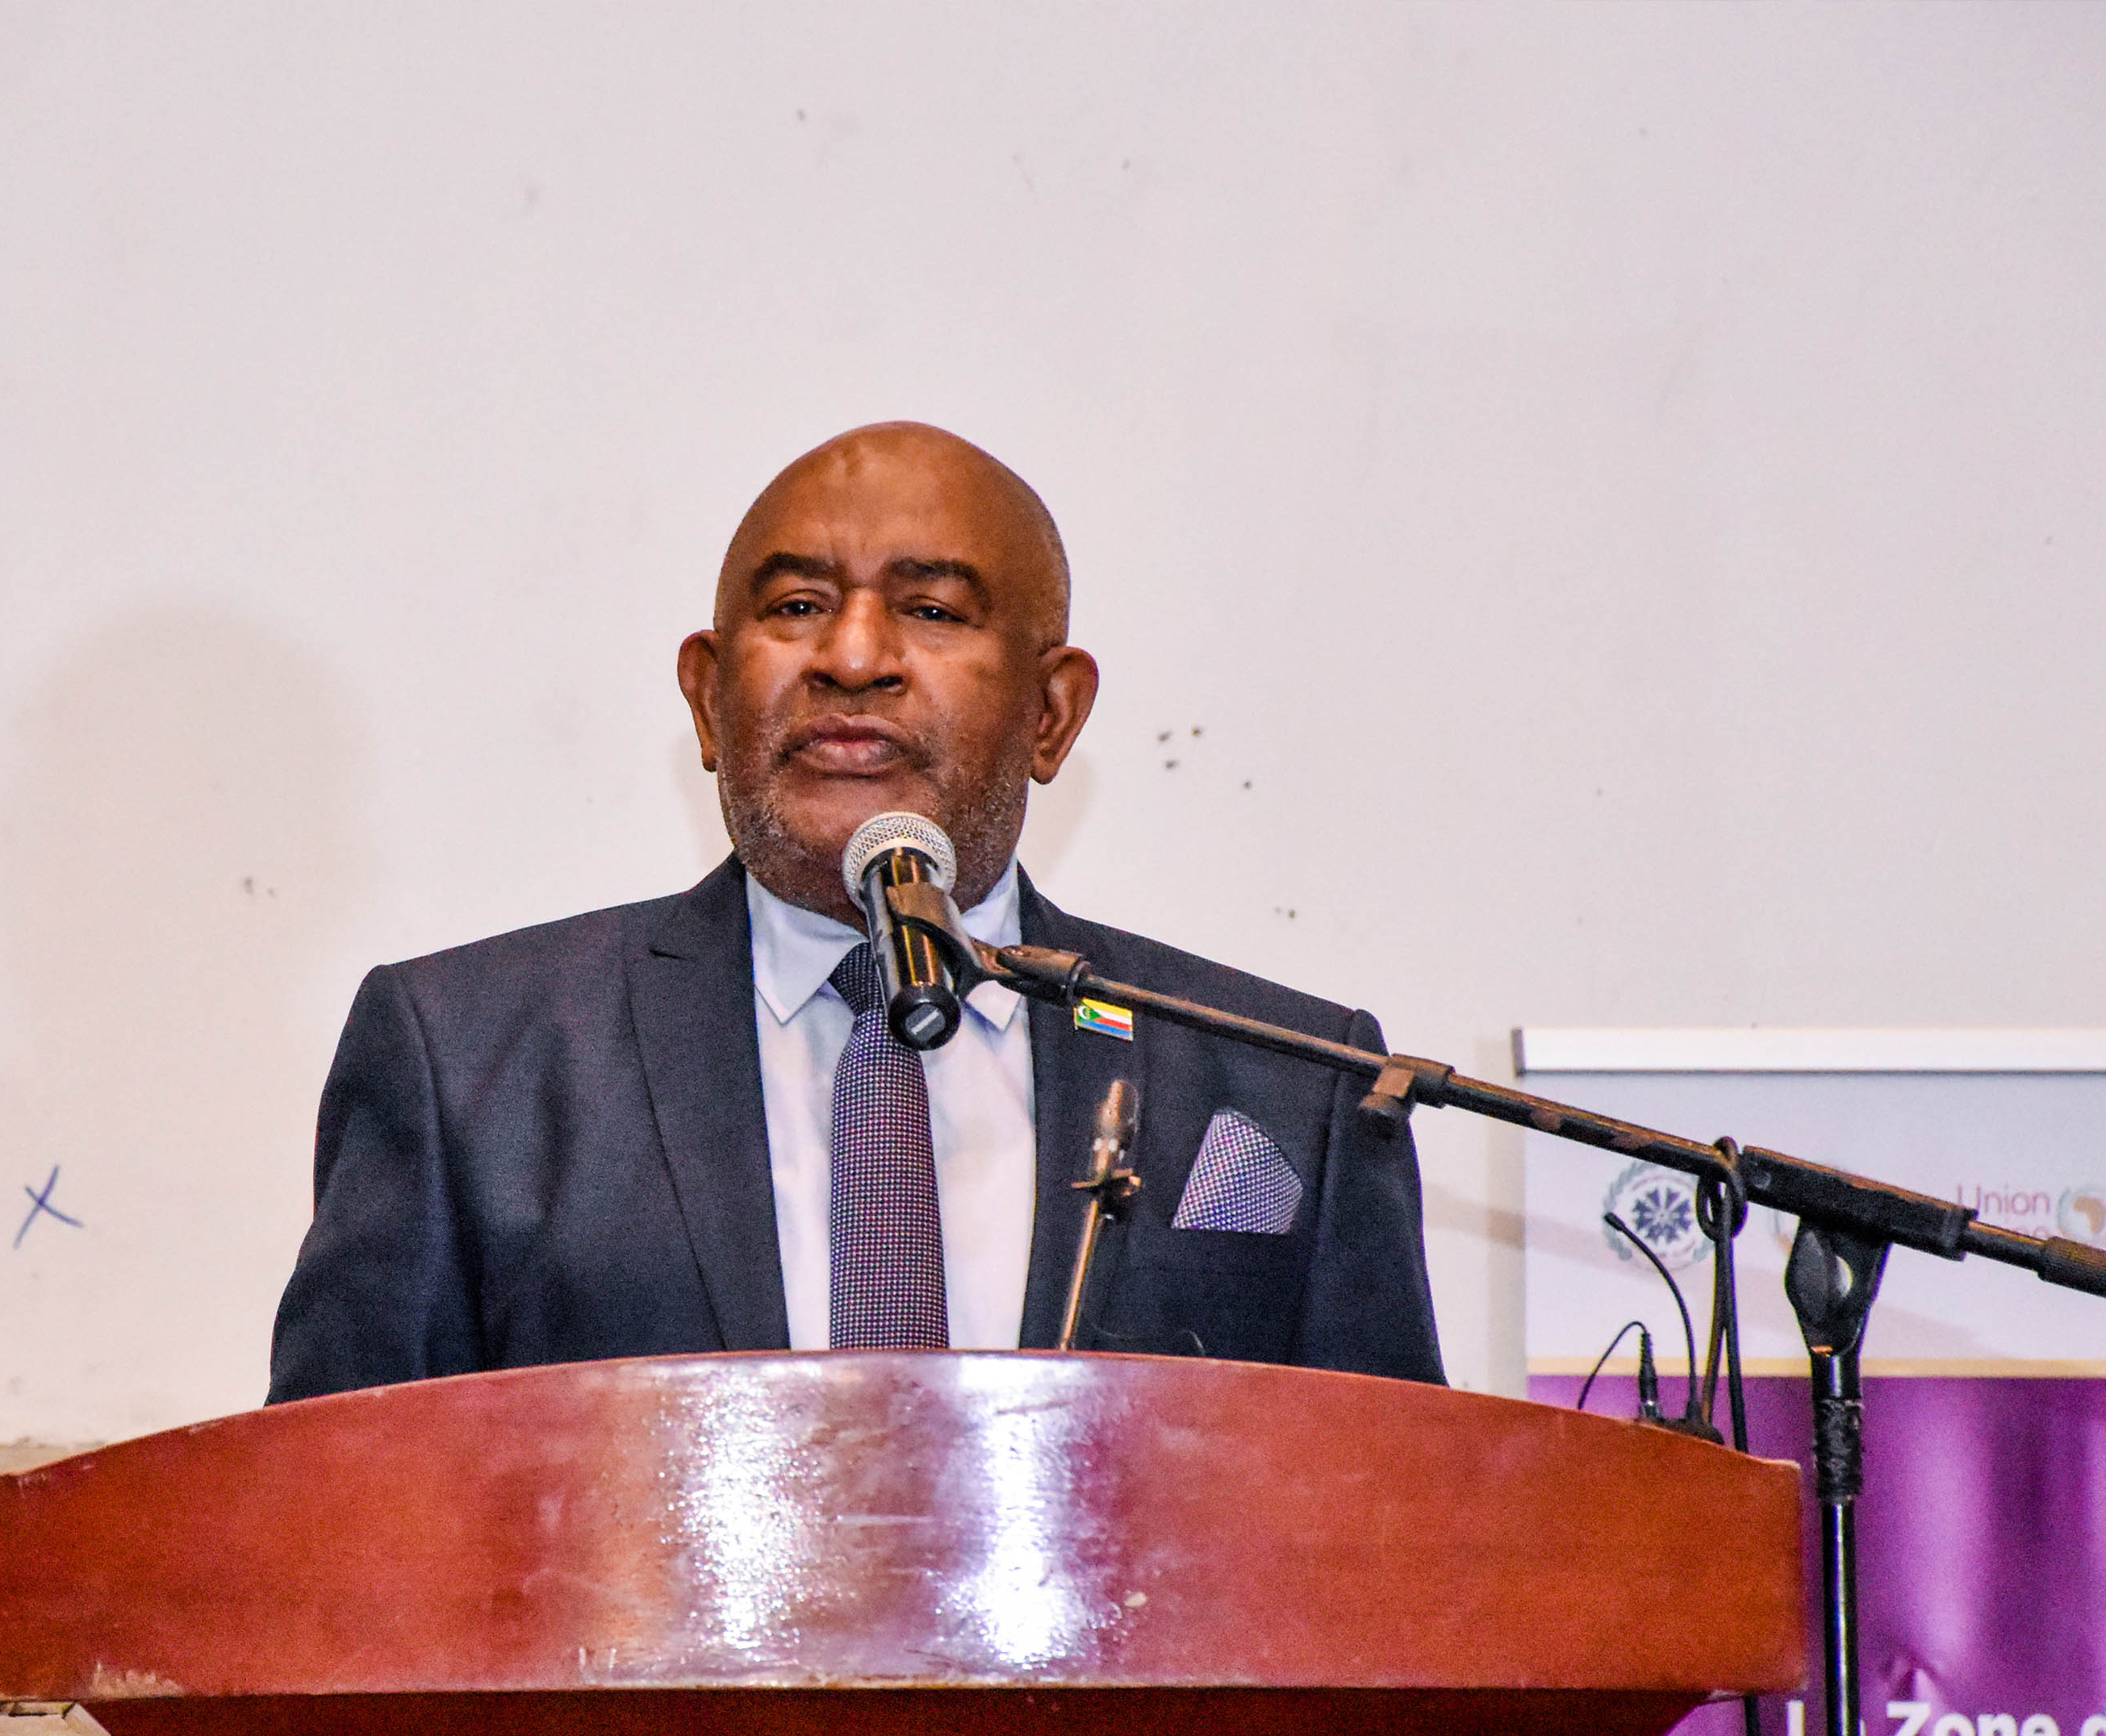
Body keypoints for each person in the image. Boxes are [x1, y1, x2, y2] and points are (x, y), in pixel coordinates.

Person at [265, 422, 1440, 1402]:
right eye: (796, 606)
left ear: (1051, 715)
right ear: (707, 699)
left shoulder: (1289, 1087)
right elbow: (334, 1526)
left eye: (932, 611)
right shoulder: (470, 1063)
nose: (855, 656)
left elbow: (1390, 1546)